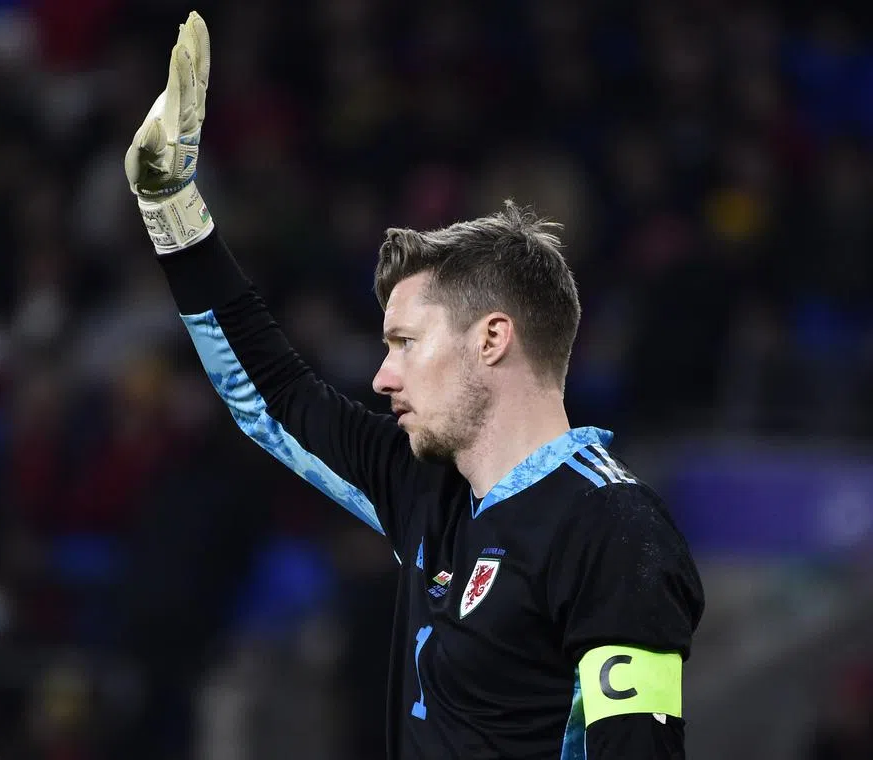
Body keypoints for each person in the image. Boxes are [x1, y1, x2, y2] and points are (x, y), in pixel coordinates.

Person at [123, 12, 705, 760]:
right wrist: (172, 213)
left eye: (406, 343)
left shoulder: (612, 528)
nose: (382, 374)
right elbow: (275, 397)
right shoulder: (425, 487)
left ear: (492, 339)